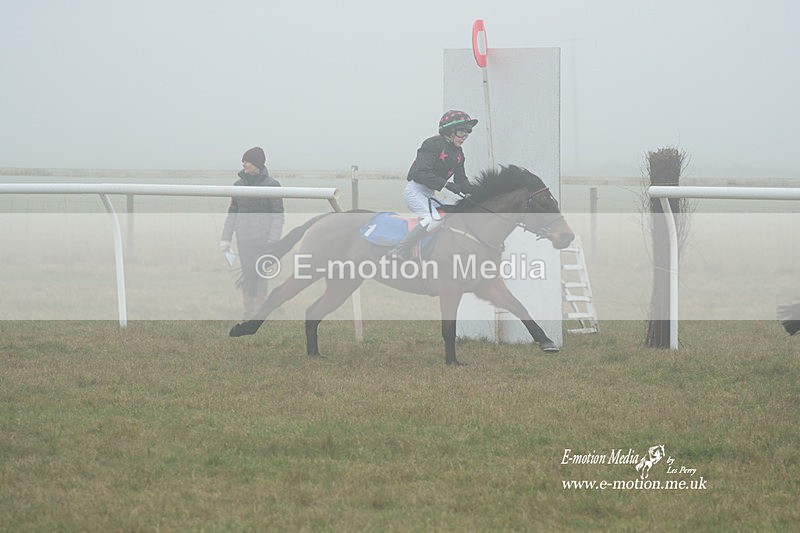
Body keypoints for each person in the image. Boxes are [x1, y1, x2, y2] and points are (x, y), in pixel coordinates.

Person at [391, 110, 478, 260]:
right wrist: (447, 185)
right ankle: (399, 249)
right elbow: (422, 173)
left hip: (430, 194)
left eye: (466, 134)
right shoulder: (432, 144)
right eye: (461, 133)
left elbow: (461, 180)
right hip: (415, 191)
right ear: (449, 132)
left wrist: (475, 192)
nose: (464, 138)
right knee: (432, 219)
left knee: (452, 216)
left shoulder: (458, 153)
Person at [219, 147, 285, 319]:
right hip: (243, 239)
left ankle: (260, 315)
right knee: (247, 275)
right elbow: (232, 214)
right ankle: (248, 313)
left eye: (247, 161)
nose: (243, 164)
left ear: (257, 163)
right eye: (243, 161)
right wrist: (225, 238)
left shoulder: (273, 185)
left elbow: (278, 217)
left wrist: (272, 241)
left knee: (260, 276)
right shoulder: (238, 186)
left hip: (263, 241)